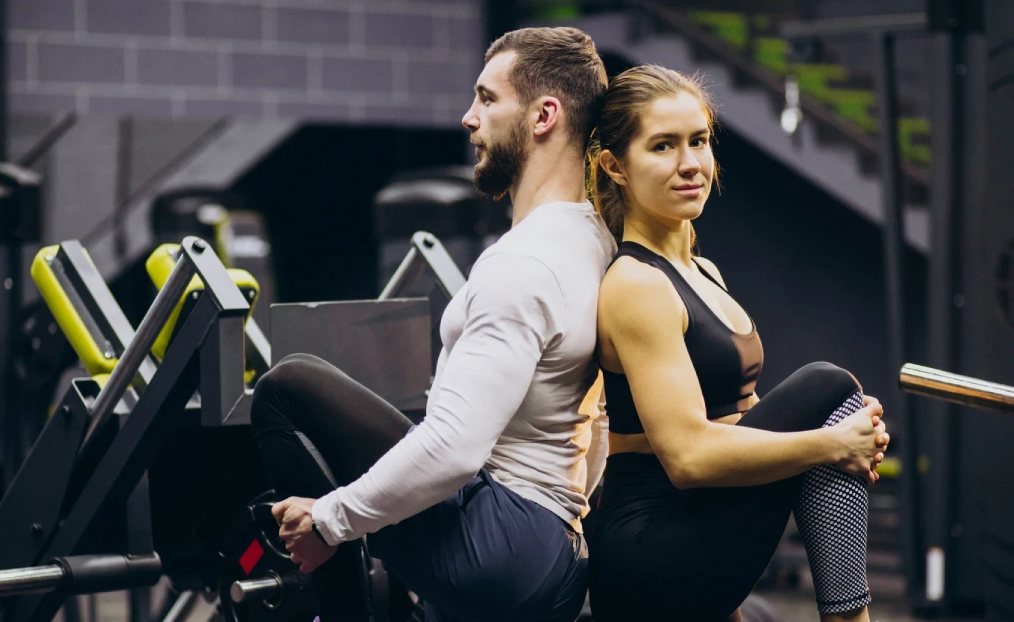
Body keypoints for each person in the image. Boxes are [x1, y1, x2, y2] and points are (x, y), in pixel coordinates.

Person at [249, 27, 614, 622]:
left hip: (500, 542)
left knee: (288, 387)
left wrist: (328, 521)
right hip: (556, 556)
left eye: (488, 99)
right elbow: (595, 428)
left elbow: (454, 448)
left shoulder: (522, 263)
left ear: (544, 116)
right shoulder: (596, 244)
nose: (469, 118)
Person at [583, 64, 890, 622]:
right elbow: (688, 458)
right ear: (615, 166)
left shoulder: (704, 271)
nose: (690, 163)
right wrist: (832, 443)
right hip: (650, 546)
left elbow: (742, 421)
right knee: (827, 386)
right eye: (663, 146)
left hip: (699, 520)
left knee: (834, 404)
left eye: (698, 141)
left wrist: (849, 434)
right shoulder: (636, 284)